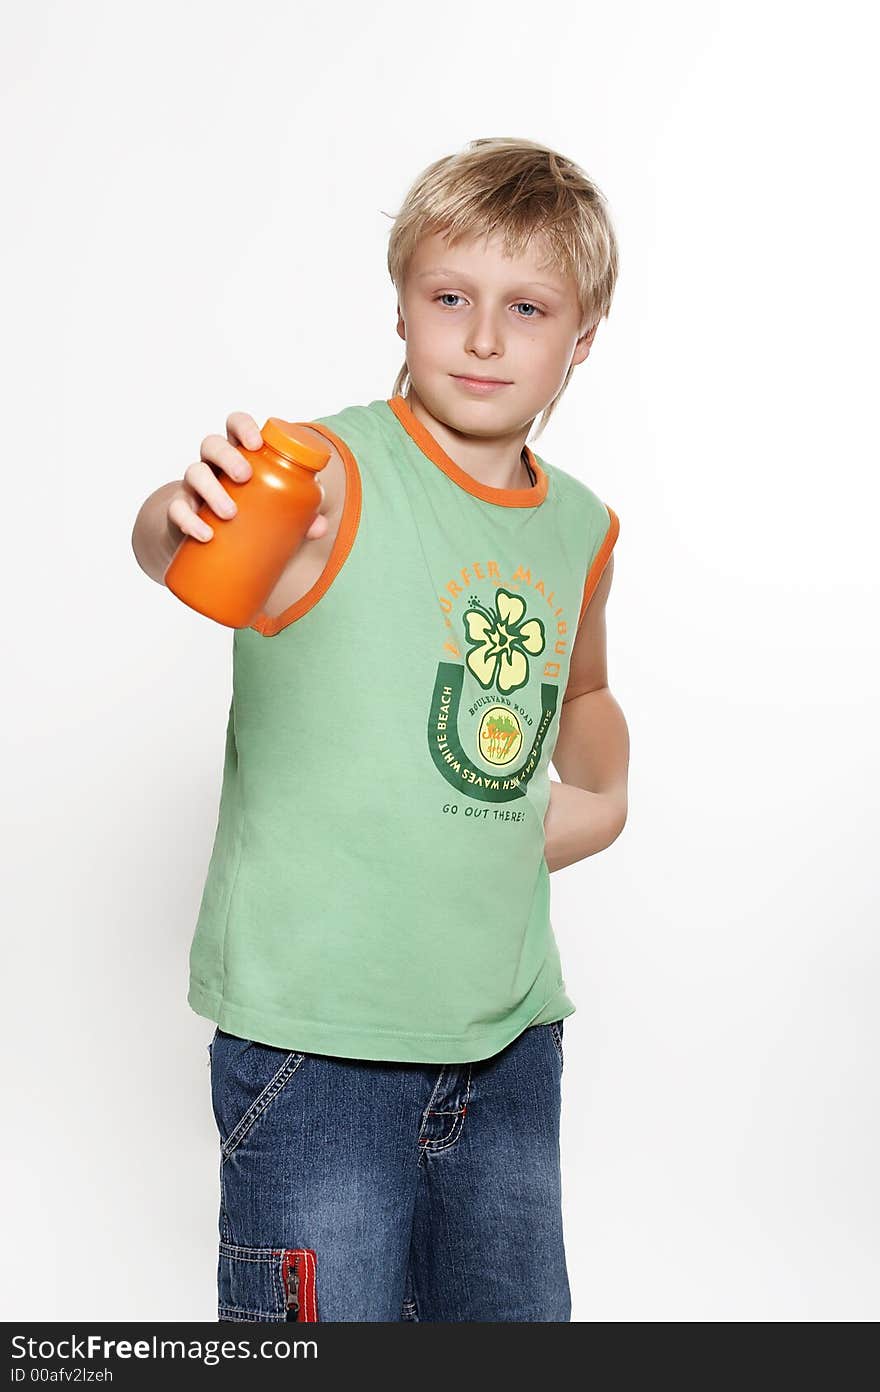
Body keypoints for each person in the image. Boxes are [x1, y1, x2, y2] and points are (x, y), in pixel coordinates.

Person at [131, 136, 630, 1322]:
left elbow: (583, 693)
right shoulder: (329, 475)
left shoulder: (581, 529)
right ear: (402, 308)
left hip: (508, 1048)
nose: (483, 337)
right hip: (317, 1054)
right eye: (449, 297)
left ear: (582, 337)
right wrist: (181, 511)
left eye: (526, 307)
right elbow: (174, 548)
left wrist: (597, 799)